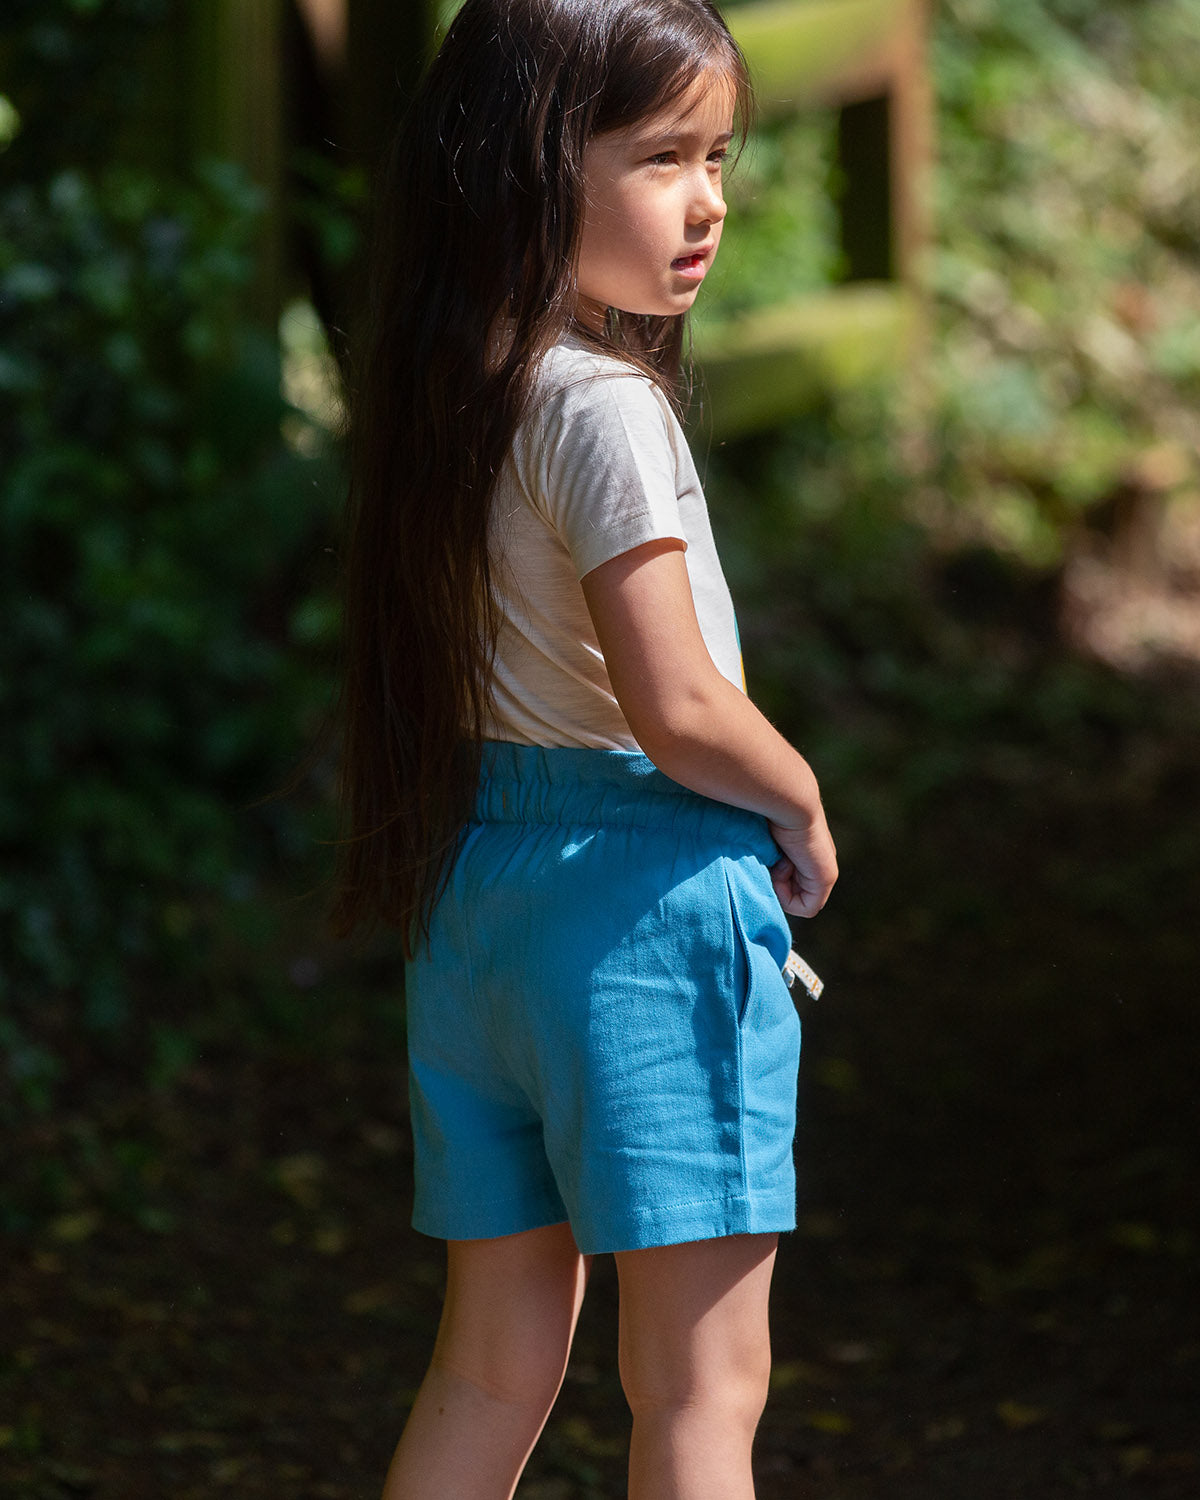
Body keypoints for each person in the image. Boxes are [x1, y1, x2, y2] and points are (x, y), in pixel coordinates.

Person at [332, 0, 838, 1494]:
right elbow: (678, 707)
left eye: (721, 154)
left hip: (480, 892)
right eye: (663, 155)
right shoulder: (607, 409)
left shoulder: (453, 392)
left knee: (489, 1370)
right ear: (534, 167)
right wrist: (803, 800)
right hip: (641, 902)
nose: (712, 200)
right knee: (698, 1394)